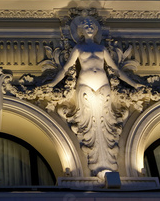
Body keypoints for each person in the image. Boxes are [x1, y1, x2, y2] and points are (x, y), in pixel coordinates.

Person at [48, 16, 141, 178]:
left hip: (103, 86)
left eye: (92, 25)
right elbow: (66, 68)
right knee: (87, 122)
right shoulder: (78, 48)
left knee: (106, 121)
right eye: (86, 25)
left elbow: (116, 70)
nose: (90, 27)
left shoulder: (101, 49)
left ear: (96, 29)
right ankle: (94, 155)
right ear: (81, 30)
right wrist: (52, 84)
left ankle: (106, 160)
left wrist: (134, 85)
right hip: (85, 85)